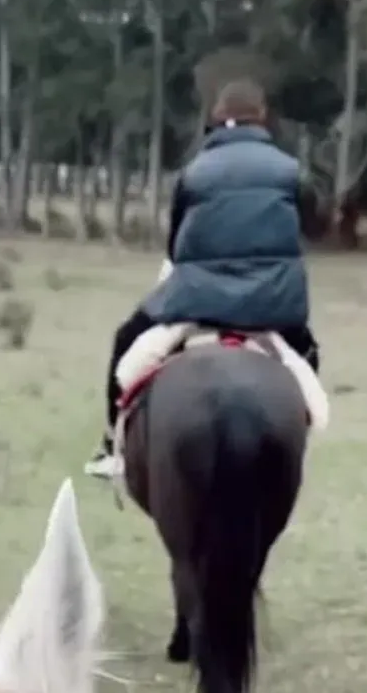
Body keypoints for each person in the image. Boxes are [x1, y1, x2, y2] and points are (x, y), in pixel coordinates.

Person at [85, 79, 320, 479]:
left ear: (215, 121)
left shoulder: (193, 173)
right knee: (309, 355)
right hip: (273, 305)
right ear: (262, 118)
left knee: (126, 341)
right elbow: (312, 226)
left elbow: (176, 248)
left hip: (197, 299)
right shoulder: (290, 171)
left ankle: (113, 446)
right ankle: (298, 443)